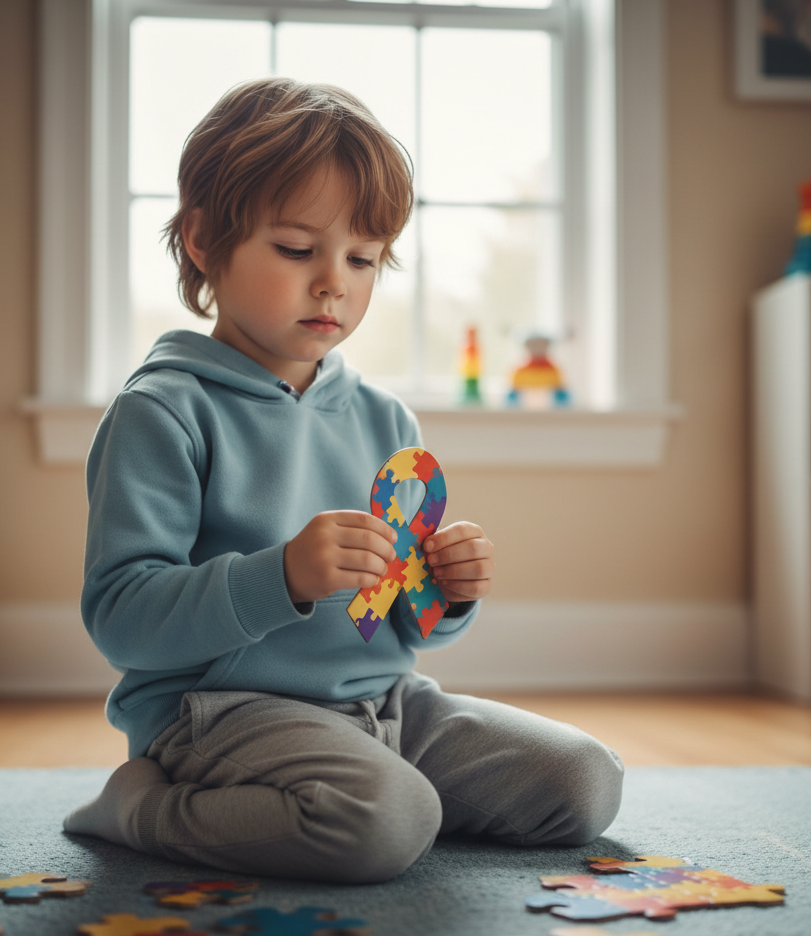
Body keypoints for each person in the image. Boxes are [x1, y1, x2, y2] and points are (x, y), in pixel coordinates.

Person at [63, 77, 623, 883]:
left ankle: (368, 795)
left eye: (362, 258)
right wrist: (279, 576)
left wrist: (446, 594)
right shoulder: (163, 411)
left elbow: (396, 627)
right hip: (217, 715)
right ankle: (142, 809)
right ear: (200, 243)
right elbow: (121, 619)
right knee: (387, 822)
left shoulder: (385, 420)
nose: (335, 280)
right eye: (297, 250)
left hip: (383, 705)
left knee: (584, 781)